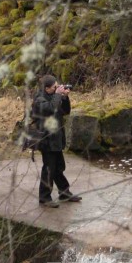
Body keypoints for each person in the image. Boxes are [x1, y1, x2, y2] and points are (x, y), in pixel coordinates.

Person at [33, 75, 82, 208]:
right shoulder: (39, 99)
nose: (57, 88)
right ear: (47, 88)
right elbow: (50, 109)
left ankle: (64, 193)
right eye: (55, 87)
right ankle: (44, 197)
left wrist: (65, 98)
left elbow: (65, 111)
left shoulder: (54, 96)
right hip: (46, 140)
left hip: (56, 139)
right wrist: (58, 95)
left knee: (58, 167)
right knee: (49, 169)